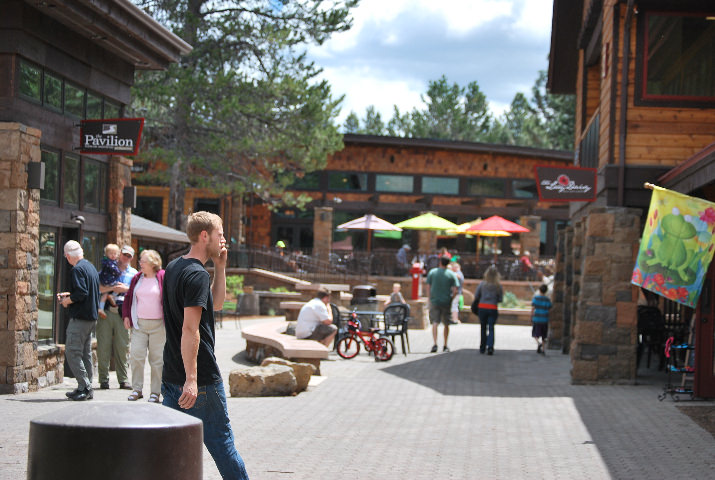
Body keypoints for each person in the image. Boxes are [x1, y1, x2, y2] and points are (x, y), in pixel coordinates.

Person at [162, 211, 249, 479]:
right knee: (223, 446)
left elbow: (217, 304)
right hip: (199, 382)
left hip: (171, 376)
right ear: (204, 236)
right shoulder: (196, 275)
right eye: (220, 234)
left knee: (170, 451)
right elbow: (190, 330)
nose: (224, 240)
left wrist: (220, 267)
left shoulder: (175, 267)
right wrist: (192, 379)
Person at [58, 240, 100, 401]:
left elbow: (81, 293)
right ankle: (85, 387)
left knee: (72, 352)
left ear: (68, 256)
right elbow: (86, 291)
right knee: (85, 353)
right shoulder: (90, 267)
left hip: (81, 318)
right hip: (91, 317)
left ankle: (85, 386)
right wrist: (69, 295)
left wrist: (66, 301)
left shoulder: (77, 269)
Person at [122, 249, 165, 402]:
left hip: (158, 325)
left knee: (157, 360)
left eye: (143, 261)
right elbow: (128, 297)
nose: (140, 263)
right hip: (139, 324)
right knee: (136, 356)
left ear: (153, 263)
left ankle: (156, 392)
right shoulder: (137, 278)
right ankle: (137, 389)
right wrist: (126, 316)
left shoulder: (162, 276)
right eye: (140, 260)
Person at [97, 245, 137, 390]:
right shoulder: (108, 269)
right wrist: (113, 288)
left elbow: (138, 292)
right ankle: (103, 380)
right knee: (103, 346)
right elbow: (99, 288)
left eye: (129, 256)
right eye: (124, 254)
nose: (126, 258)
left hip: (123, 313)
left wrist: (125, 289)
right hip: (106, 312)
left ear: (132, 258)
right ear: (120, 254)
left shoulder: (134, 274)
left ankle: (123, 380)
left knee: (123, 347)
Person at [426, 256, 458, 353]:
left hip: (435, 301)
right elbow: (455, 290)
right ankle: (445, 344)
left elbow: (428, 286)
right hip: (446, 301)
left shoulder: (432, 272)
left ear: (440, 262)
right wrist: (451, 298)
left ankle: (435, 344)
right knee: (446, 323)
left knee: (435, 322)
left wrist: (429, 298)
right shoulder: (451, 274)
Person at [471, 265, 503, 355]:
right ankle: (490, 347)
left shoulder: (482, 284)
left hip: (482, 307)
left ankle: (482, 347)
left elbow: (476, 295)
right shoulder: (498, 286)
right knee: (491, 328)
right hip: (493, 308)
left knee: (483, 328)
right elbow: (500, 299)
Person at [97, 243, 121, 320]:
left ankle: (101, 308)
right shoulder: (109, 262)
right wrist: (119, 272)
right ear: (107, 254)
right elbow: (115, 270)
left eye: (115, 254)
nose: (113, 255)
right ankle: (112, 296)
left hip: (106, 280)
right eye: (111, 253)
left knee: (104, 296)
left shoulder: (109, 262)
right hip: (109, 280)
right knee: (119, 286)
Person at [530, 284, 552, 355]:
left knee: (535, 334)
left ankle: (538, 343)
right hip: (545, 319)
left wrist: (531, 317)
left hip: (537, 319)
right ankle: (543, 349)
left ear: (539, 290)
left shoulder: (536, 298)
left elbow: (533, 308)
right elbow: (549, 308)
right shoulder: (547, 299)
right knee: (544, 335)